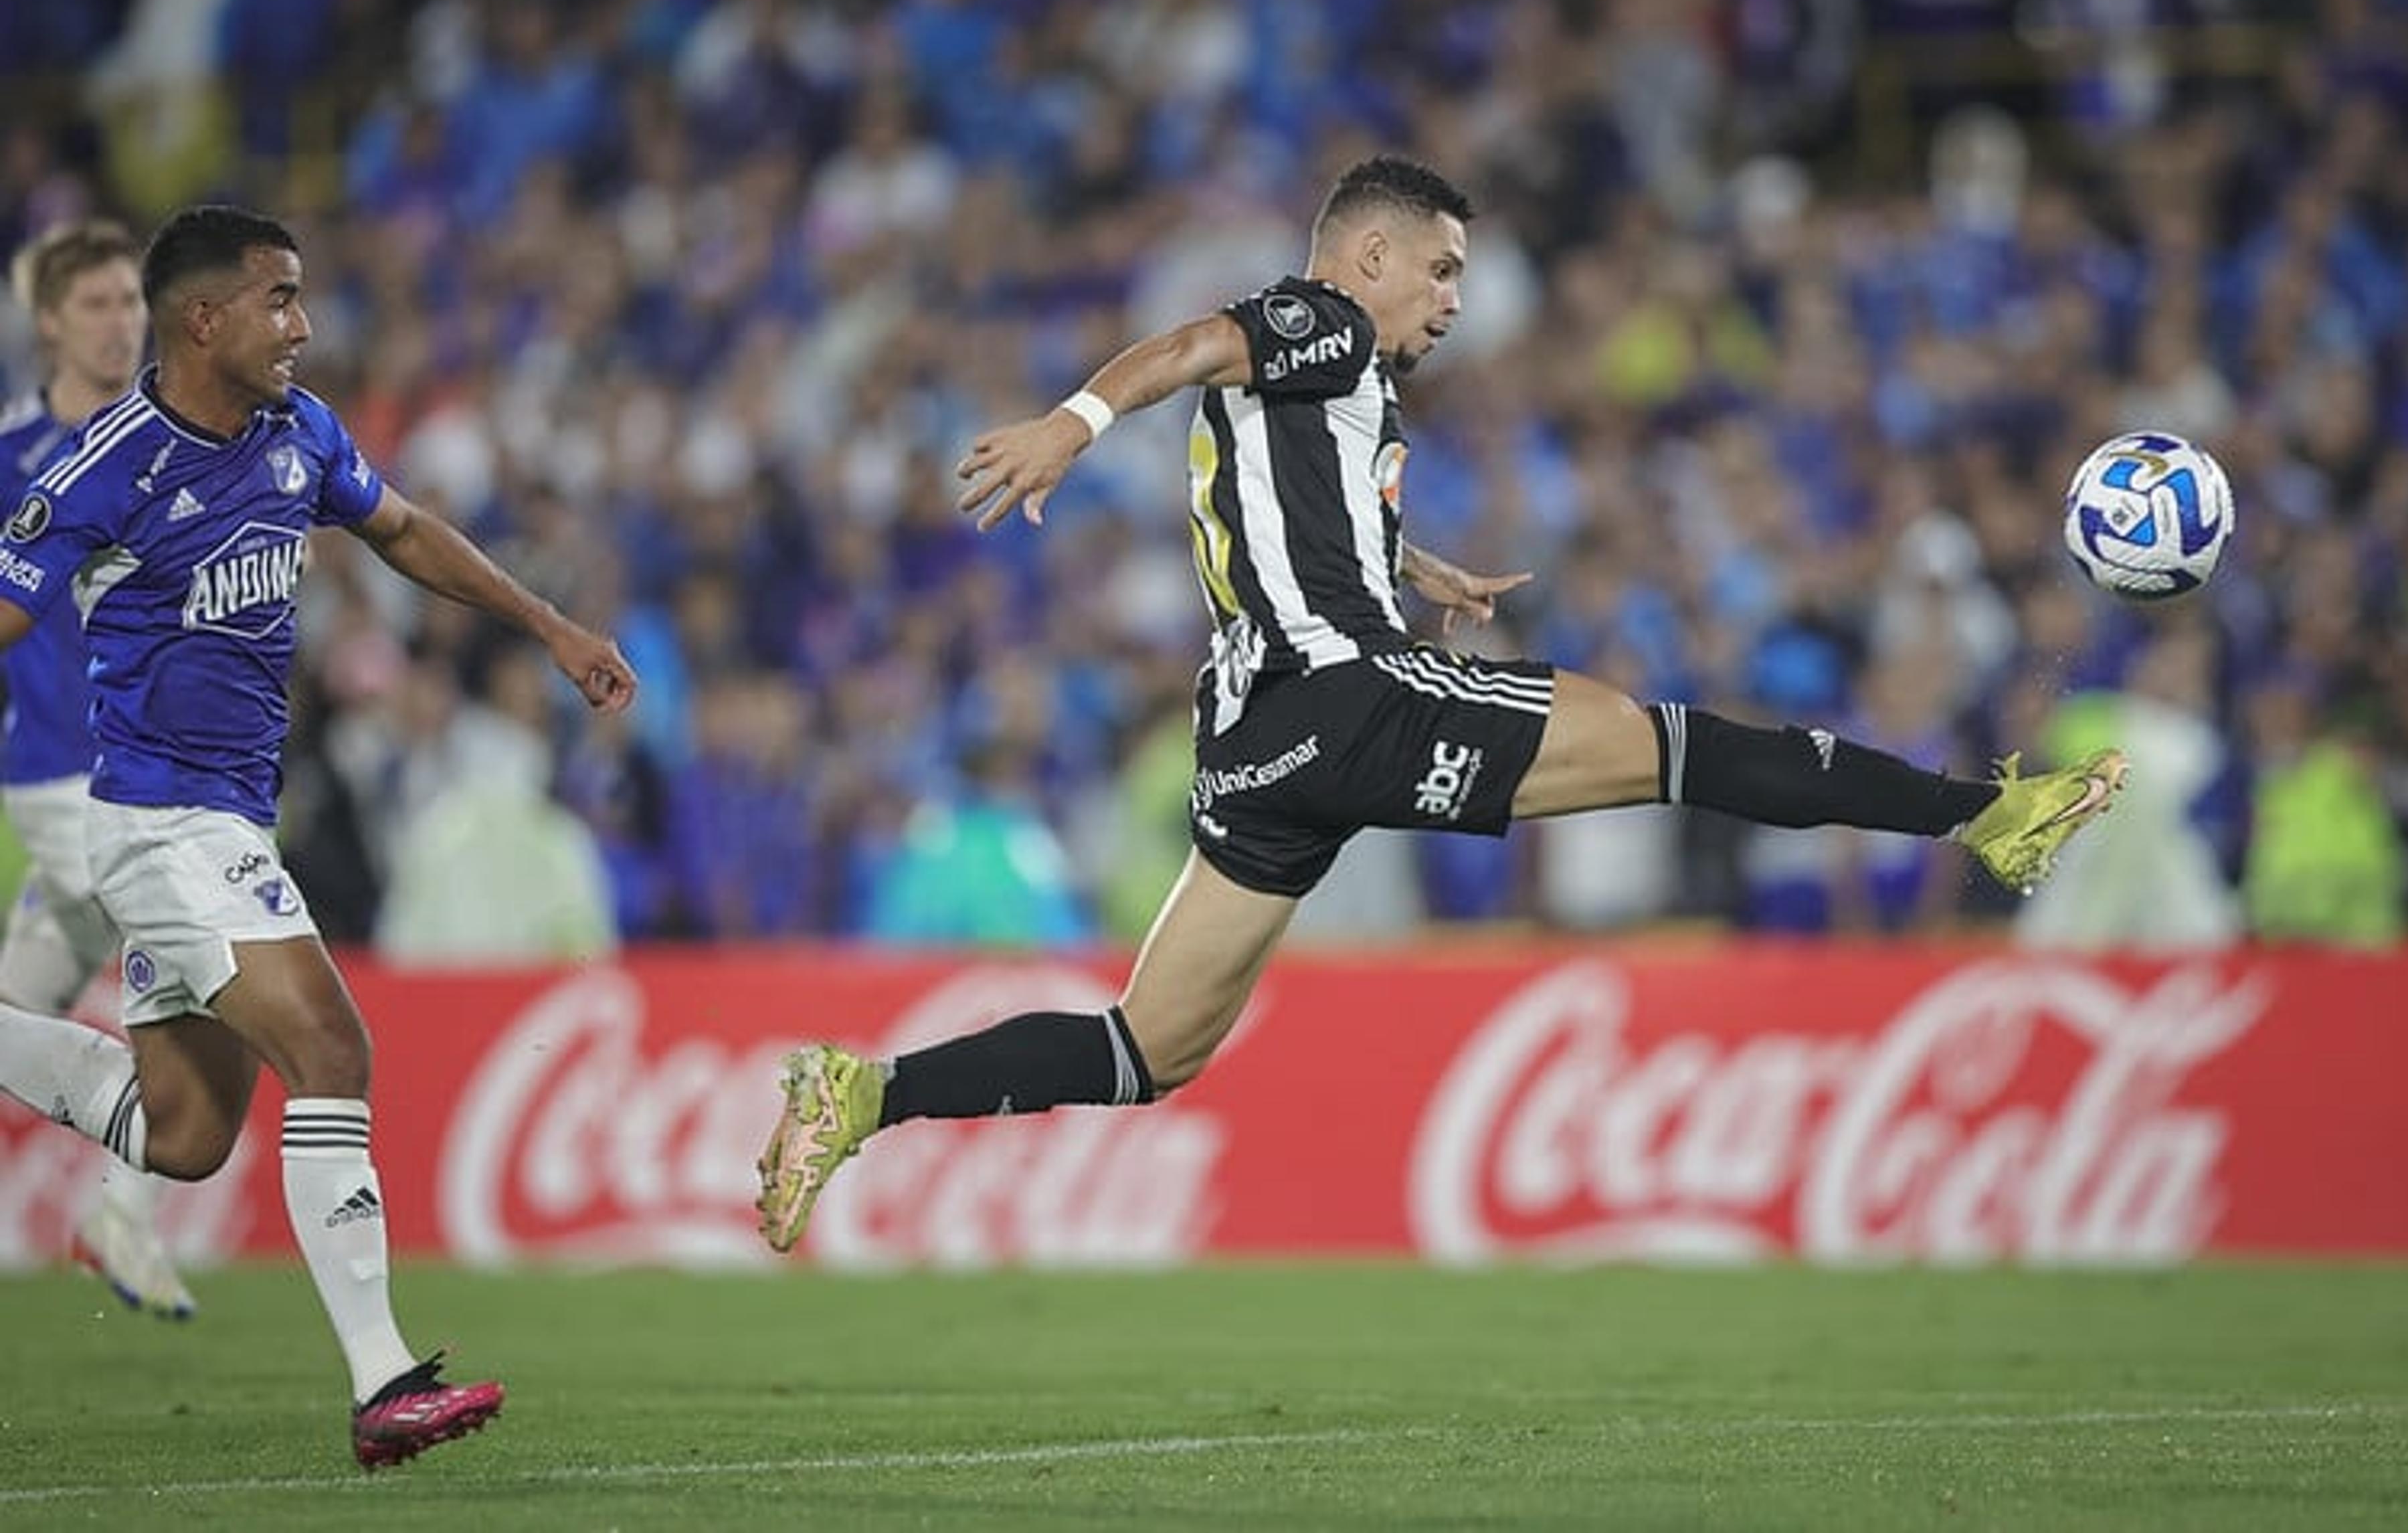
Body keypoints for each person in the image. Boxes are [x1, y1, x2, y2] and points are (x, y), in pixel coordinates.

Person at [753, 157, 2126, 1251]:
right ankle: (1985, 816)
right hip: (1346, 694)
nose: (1456, 301)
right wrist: (1070, 422)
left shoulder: (1341, 395)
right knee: (1675, 747)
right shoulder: (1324, 320)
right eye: (1445, 268)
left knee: (1147, 1046)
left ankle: (866, 1094)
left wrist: (1411, 562)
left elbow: (1279, 499)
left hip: (1248, 744)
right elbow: (1187, 345)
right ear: (1367, 257)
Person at [0, 205, 638, 1467]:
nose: (301, 324)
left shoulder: (298, 433)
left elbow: (401, 531)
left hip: (230, 820)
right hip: (160, 823)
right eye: (278, 298)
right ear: (204, 319)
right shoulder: (104, 469)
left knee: (183, 1138)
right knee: (331, 1047)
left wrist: (550, 624)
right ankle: (384, 1380)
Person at [1, 219, 198, 1318]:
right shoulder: (7, 459)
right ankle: (122, 1218)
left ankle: (122, 1215)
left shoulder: (167, 443)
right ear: (48, 321)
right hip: (57, 770)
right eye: (98, 305)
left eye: (134, 302)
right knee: (195, 953)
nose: (123, 323)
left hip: (149, 766)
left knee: (23, 996)